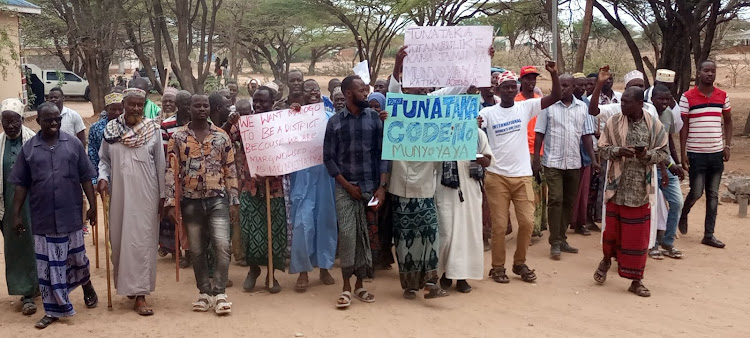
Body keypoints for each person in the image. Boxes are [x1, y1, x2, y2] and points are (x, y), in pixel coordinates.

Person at [10, 102, 99, 329]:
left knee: (77, 259)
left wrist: (92, 205)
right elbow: (20, 185)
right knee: (49, 266)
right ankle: (53, 310)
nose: (54, 123)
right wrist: (16, 214)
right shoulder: (29, 149)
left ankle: (86, 283)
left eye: (57, 119)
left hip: (71, 215)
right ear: (38, 121)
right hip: (43, 217)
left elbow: (86, 176)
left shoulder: (73, 145)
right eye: (48, 120)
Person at [479, 62, 560, 284]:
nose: (510, 90)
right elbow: (471, 128)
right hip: (496, 177)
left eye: (512, 86)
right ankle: (497, 267)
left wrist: (554, 74)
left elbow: (554, 97)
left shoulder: (526, 107)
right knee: (498, 226)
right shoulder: (487, 113)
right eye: (505, 87)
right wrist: (473, 123)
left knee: (527, 223)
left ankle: (519, 263)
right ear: (497, 91)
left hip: (522, 175)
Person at [165, 94, 239, 315]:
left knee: (222, 245)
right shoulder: (177, 138)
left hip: (218, 198)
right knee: (196, 250)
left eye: (204, 105)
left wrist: (234, 200)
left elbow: (231, 169)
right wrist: (170, 202)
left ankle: (220, 293)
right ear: (189, 109)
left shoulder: (221, 136)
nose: (201, 109)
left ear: (209, 108)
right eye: (197, 105)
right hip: (190, 201)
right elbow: (171, 172)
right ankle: (204, 293)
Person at [593, 86, 669, 297]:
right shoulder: (614, 122)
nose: (622, 105)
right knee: (611, 233)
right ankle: (606, 260)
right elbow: (602, 148)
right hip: (616, 189)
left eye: (627, 102)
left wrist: (645, 155)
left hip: (640, 191)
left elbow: (663, 152)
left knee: (638, 238)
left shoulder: (653, 124)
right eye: (622, 101)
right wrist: (618, 151)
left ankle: (636, 280)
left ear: (639, 104)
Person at [97, 88, 166, 316]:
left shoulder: (153, 130)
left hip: (146, 195)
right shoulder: (110, 130)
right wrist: (103, 178)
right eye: (132, 104)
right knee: (119, 242)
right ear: (124, 104)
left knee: (142, 242)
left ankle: (141, 295)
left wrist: (162, 196)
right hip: (119, 194)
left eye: (140, 104)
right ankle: (127, 286)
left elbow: (160, 166)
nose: (136, 108)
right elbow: (103, 160)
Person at [324, 75, 387, 308]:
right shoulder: (335, 122)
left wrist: (381, 188)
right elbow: (328, 159)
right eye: (361, 90)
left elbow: (383, 155)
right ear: (348, 93)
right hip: (345, 187)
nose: (366, 93)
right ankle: (346, 287)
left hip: (371, 187)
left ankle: (360, 285)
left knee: (365, 237)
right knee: (349, 235)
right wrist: (347, 185)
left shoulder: (375, 119)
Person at [228, 87, 288, 294]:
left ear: (273, 102)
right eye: (257, 101)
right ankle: (253, 270)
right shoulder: (245, 123)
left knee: (275, 232)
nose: (260, 105)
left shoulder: (280, 123)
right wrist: (231, 121)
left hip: (275, 187)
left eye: (264, 102)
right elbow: (227, 137)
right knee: (251, 231)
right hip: (249, 186)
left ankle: (271, 274)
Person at [533, 74, 597, 260]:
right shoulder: (548, 106)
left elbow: (586, 136)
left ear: (574, 86)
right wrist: (537, 158)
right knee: (556, 200)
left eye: (567, 85)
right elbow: (539, 133)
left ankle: (561, 237)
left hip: (574, 162)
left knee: (569, 202)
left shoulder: (582, 108)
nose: (563, 89)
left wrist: (593, 160)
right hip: (552, 162)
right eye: (560, 85)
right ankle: (554, 242)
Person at [286, 80, 338, 292]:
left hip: (326, 179)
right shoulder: (292, 119)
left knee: (325, 223)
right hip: (302, 179)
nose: (313, 93)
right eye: (309, 91)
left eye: (316, 90)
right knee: (302, 225)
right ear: (302, 94)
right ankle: (303, 272)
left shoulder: (330, 118)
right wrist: (291, 115)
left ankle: (325, 267)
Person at [678, 60, 732, 249]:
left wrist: (728, 145)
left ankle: (709, 234)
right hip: (696, 153)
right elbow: (683, 126)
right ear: (699, 72)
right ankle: (683, 214)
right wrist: (683, 152)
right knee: (696, 191)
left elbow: (728, 121)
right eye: (706, 71)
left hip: (716, 152)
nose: (710, 74)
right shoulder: (687, 97)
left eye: (713, 71)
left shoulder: (722, 95)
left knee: (713, 195)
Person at [436, 127, 494, 294]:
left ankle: (462, 277)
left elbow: (488, 159)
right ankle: (445, 273)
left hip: (470, 188)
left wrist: (480, 159)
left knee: (467, 233)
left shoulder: (476, 133)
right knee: (446, 233)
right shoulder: (440, 130)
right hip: (444, 188)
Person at [0, 98, 38, 316]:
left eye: (14, 121)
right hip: (6, 206)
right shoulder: (0, 143)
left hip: (31, 205)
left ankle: (29, 294)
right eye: (6, 121)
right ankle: (25, 288)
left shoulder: (33, 141)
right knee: (14, 250)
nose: (11, 126)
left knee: (31, 246)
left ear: (22, 120)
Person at [649, 84, 685, 259]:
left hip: (668, 165)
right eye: (660, 99)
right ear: (652, 99)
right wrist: (671, 166)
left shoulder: (669, 114)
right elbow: (652, 149)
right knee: (652, 206)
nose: (664, 102)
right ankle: (652, 243)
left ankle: (668, 242)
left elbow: (669, 141)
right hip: (651, 167)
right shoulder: (647, 116)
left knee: (677, 203)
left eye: (667, 99)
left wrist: (677, 163)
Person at [159, 90, 193, 268]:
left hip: (193, 177)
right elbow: (165, 154)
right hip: (174, 175)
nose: (188, 108)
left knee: (190, 215)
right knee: (175, 215)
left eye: (190, 103)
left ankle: (189, 252)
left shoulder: (198, 123)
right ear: (178, 106)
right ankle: (177, 250)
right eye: (184, 104)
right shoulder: (166, 125)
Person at [516, 66, 546, 238]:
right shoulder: (516, 101)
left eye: (533, 78)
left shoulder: (539, 100)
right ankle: (531, 228)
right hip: (524, 151)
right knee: (529, 190)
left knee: (542, 190)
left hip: (541, 150)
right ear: (521, 80)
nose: (531, 81)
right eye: (527, 78)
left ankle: (539, 226)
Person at [88, 93, 124, 186]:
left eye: (120, 109)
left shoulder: (129, 128)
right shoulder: (96, 128)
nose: (117, 113)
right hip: (104, 175)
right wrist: (95, 179)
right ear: (106, 109)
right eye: (113, 109)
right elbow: (93, 155)